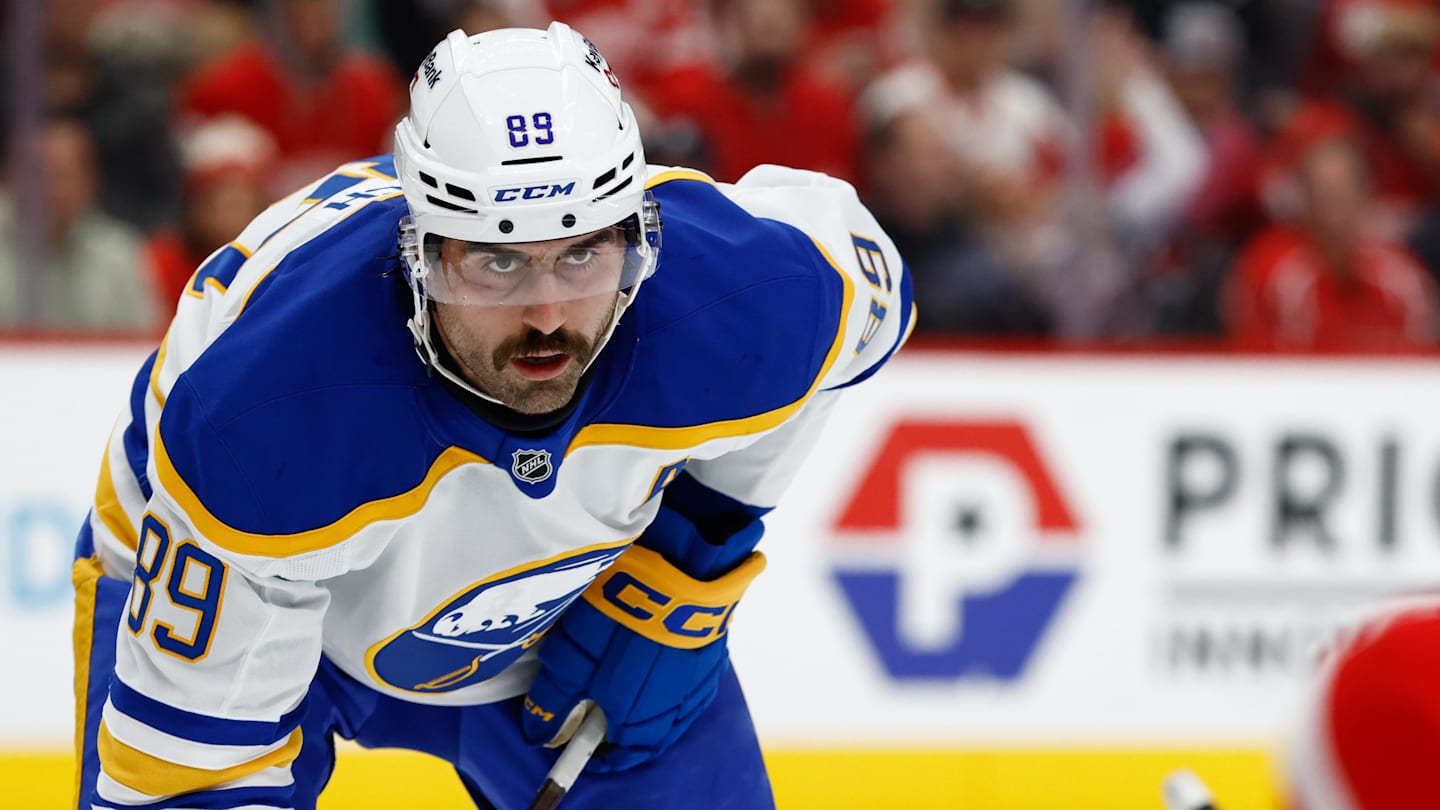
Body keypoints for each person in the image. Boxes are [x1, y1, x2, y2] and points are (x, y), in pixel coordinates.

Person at [72, 21, 913, 809]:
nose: (548, 315)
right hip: (258, 584)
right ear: (422, 252)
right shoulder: (269, 420)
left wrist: (693, 548)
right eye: (498, 262)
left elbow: (864, 303)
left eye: (583, 253)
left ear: (638, 237)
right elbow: (189, 780)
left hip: (552, 616)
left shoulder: (744, 292)